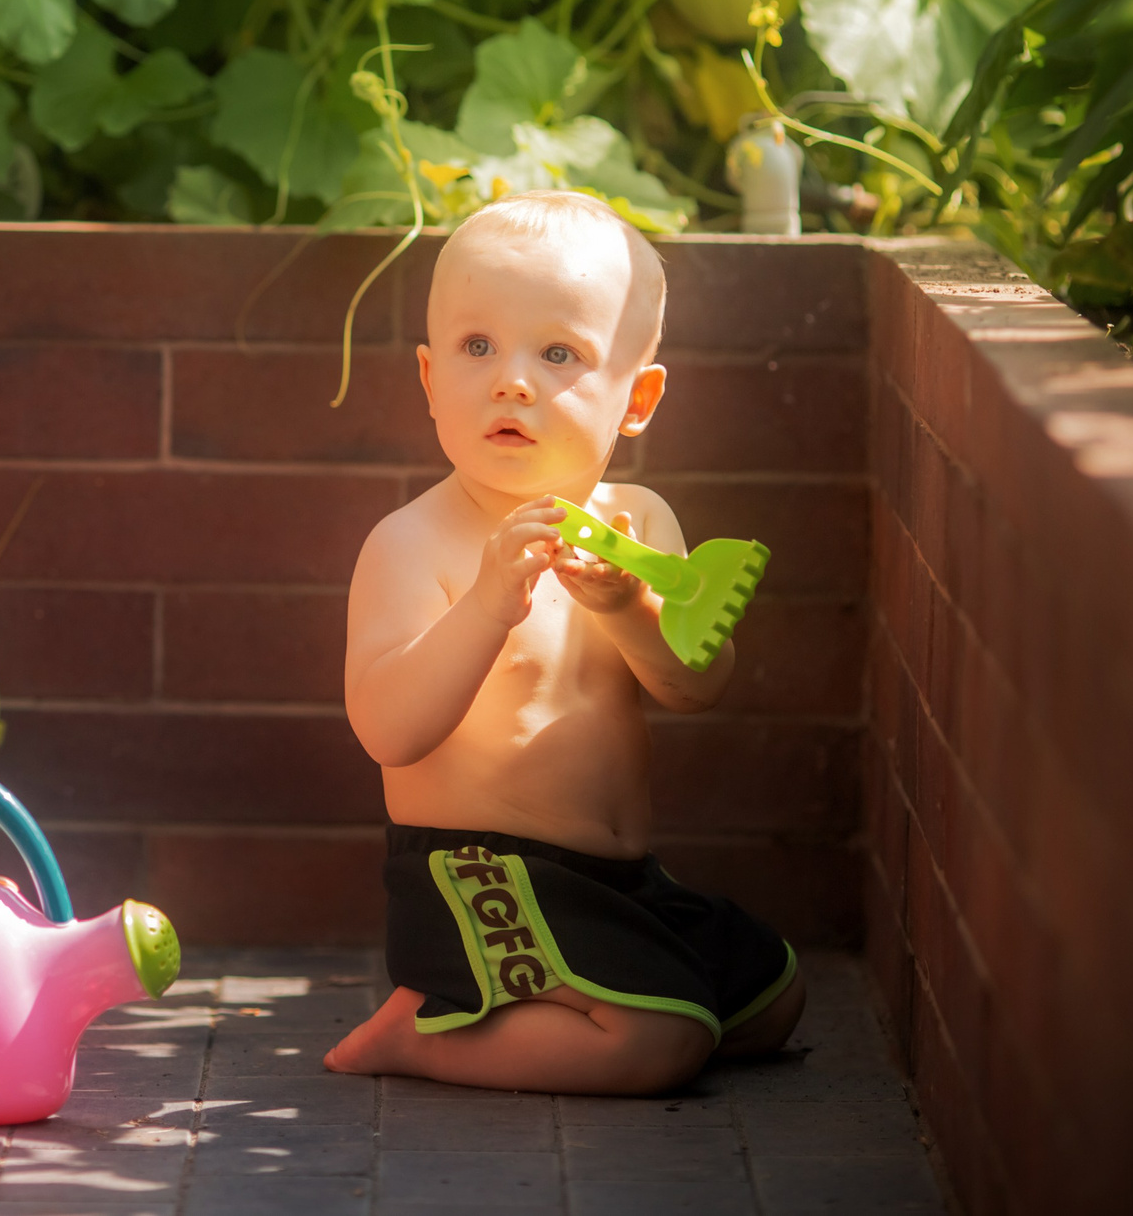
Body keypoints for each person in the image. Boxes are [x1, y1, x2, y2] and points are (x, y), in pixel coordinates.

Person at [323, 190, 803, 1093]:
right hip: (477, 874)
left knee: (774, 995)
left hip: (614, 880)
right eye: (478, 347)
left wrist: (628, 610)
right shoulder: (413, 543)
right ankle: (416, 1035)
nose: (512, 380)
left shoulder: (640, 520)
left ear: (638, 397)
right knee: (660, 1044)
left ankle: (555, 1013)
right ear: (430, 380)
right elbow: (388, 731)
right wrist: (487, 605)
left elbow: (697, 683)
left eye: (559, 353)